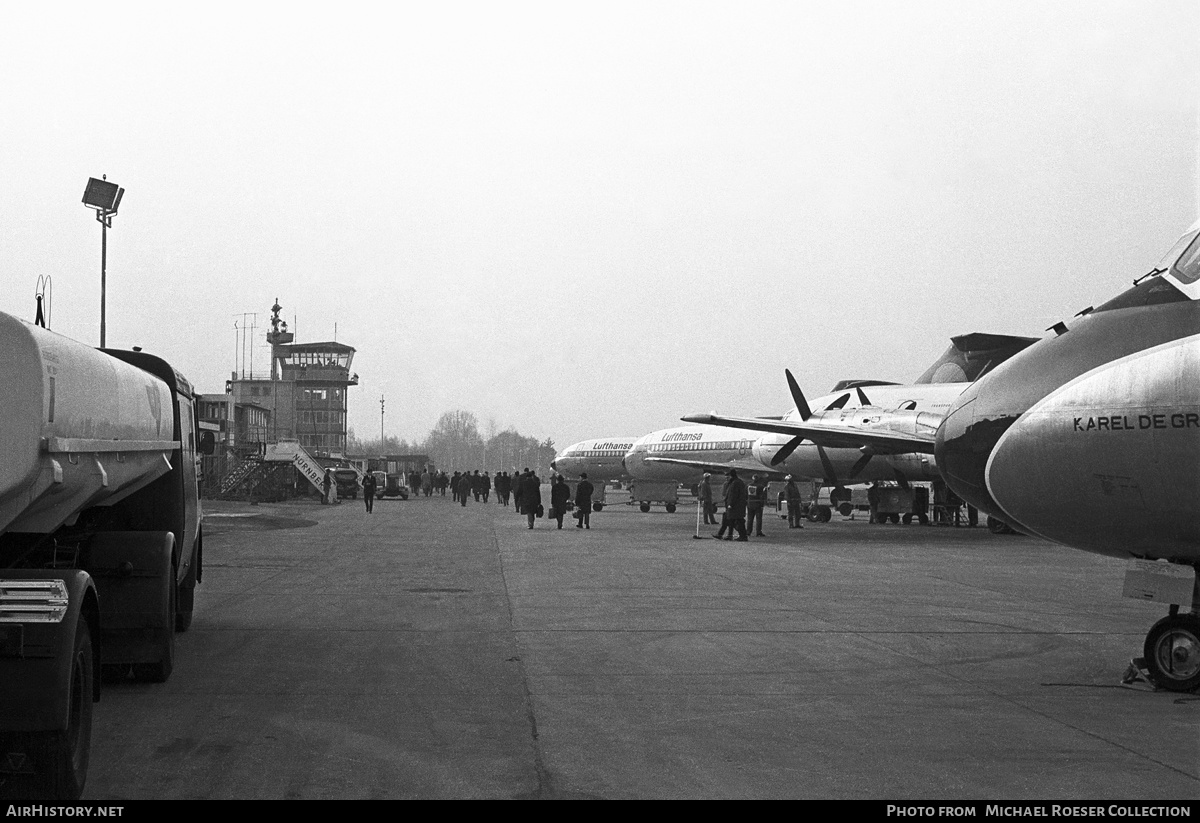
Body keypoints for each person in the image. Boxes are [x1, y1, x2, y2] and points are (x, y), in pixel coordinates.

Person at [721, 469, 748, 541]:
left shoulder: (734, 483)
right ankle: (730, 535)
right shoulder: (738, 482)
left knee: (738, 521)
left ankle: (742, 536)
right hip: (739, 505)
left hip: (735, 506)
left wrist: (730, 504)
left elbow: (733, 495)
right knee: (732, 521)